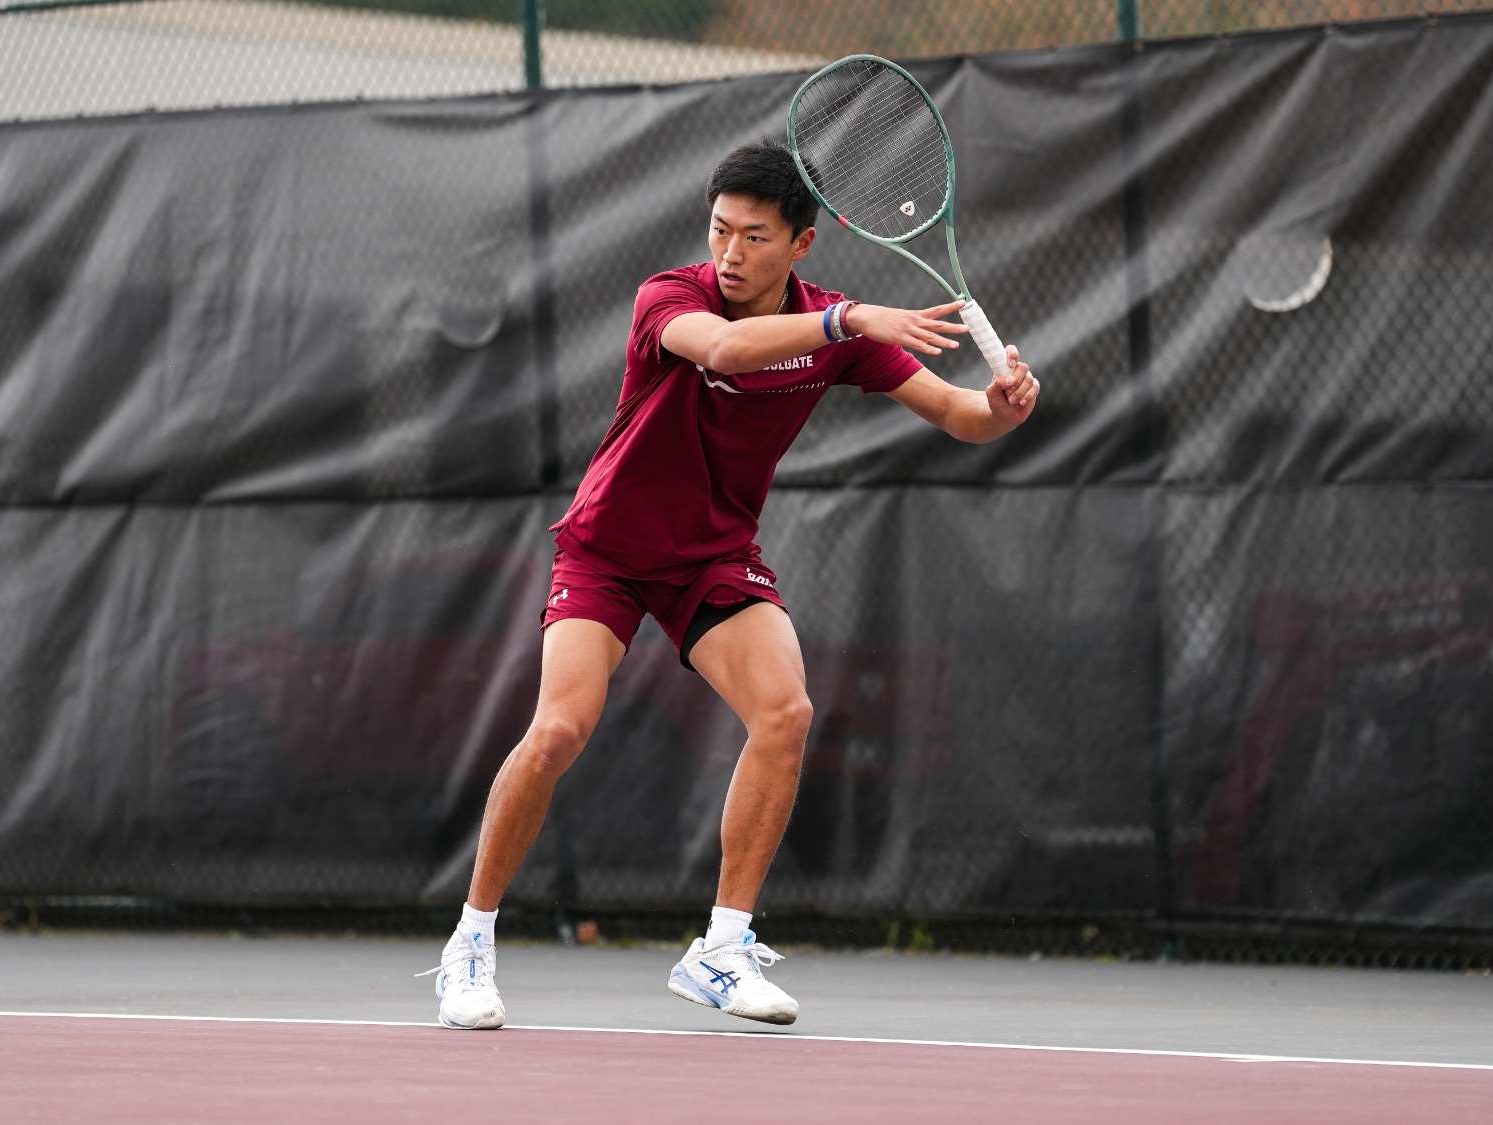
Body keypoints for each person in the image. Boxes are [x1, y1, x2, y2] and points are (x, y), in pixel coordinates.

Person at [424, 138, 1039, 1029]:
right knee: (558, 727)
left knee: (785, 714)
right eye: (720, 230)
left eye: (755, 236)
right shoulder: (671, 298)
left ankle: (720, 948)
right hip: (607, 549)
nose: (731, 253)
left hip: (712, 556)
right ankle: (469, 946)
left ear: (802, 245)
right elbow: (726, 348)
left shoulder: (834, 326)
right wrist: (850, 321)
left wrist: (1004, 408)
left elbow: (958, 413)